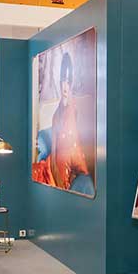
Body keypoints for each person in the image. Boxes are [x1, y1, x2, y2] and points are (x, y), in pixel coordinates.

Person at [50, 52, 90, 191]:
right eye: (62, 82)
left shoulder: (78, 106)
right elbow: (54, 149)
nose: (65, 87)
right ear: (59, 83)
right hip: (62, 160)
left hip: (79, 157)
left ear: (71, 83)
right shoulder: (56, 116)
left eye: (68, 82)